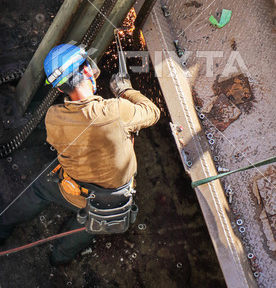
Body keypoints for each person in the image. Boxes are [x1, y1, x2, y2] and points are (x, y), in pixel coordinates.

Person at [0, 43, 160, 264]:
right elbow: (153, 112)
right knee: (90, 224)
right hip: (111, 201)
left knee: (39, 188)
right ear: (87, 70)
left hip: (72, 191)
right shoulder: (117, 110)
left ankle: (2, 228)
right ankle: (59, 258)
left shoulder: (53, 117)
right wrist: (124, 90)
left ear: (58, 89)